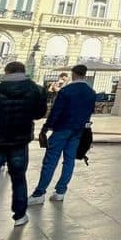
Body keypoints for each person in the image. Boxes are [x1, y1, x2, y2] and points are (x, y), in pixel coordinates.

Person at [0, 60, 47, 234]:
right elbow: (39, 114)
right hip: (19, 141)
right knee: (19, 178)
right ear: (24, 72)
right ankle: (20, 215)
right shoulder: (36, 90)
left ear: (6, 72)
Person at [28, 64, 97, 205]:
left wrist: (46, 127)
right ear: (84, 74)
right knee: (69, 160)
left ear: (73, 74)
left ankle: (39, 193)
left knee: (50, 161)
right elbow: (90, 112)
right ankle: (60, 192)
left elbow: (56, 111)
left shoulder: (66, 91)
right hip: (78, 131)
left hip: (62, 129)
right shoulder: (91, 92)